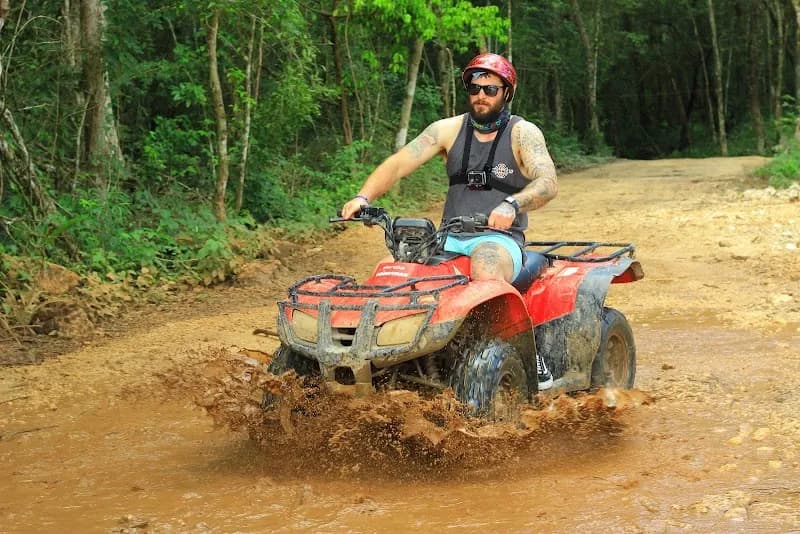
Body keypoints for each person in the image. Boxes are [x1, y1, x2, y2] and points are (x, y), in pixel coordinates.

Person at [340, 53, 557, 389]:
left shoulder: (523, 134)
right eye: (474, 87)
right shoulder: (448, 130)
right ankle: (380, 356)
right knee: (389, 270)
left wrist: (513, 204)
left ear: (507, 93)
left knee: (484, 265)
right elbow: (399, 164)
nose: (481, 95)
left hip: (499, 240)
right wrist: (363, 197)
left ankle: (527, 354)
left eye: (490, 89)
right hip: (447, 238)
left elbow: (547, 181)